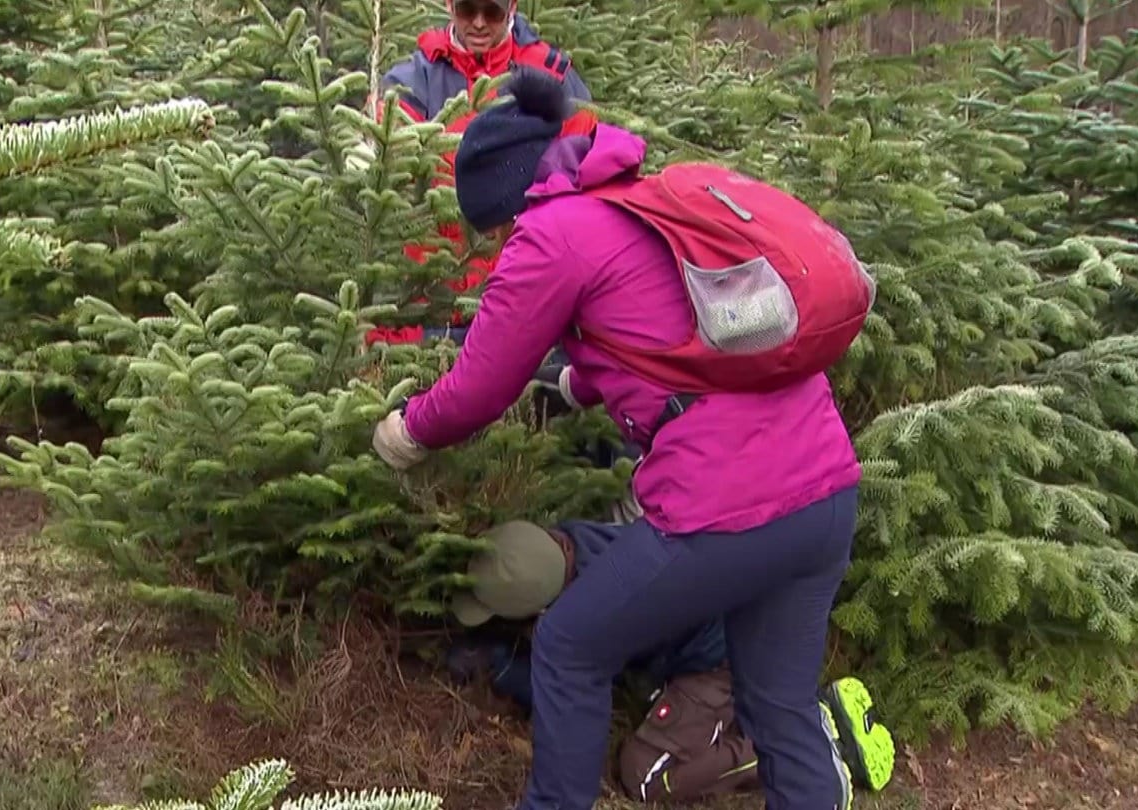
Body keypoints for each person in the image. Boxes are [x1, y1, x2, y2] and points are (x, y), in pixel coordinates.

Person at [369, 66, 879, 809]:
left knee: (572, 645)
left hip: (726, 508)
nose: (493, 248)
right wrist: (582, 384)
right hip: (825, 493)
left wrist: (406, 431)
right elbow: (670, 335)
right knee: (781, 708)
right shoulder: (636, 201)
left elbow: (477, 389)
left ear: (505, 202)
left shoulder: (547, 236)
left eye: (490, 232)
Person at [443, 520, 896, 804]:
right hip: (742, 629)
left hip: (722, 665)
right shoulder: (573, 544)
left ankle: (799, 744)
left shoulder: (595, 610)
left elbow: (575, 699)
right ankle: (792, 712)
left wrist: (497, 667)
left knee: (645, 775)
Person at [363, 0, 590, 346]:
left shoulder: (551, 75)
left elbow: (584, 172)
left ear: (512, 6)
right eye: (469, 10)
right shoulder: (411, 81)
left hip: (522, 299)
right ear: (450, 5)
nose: (480, 23)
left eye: (493, 12)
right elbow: (391, 180)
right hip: (432, 301)